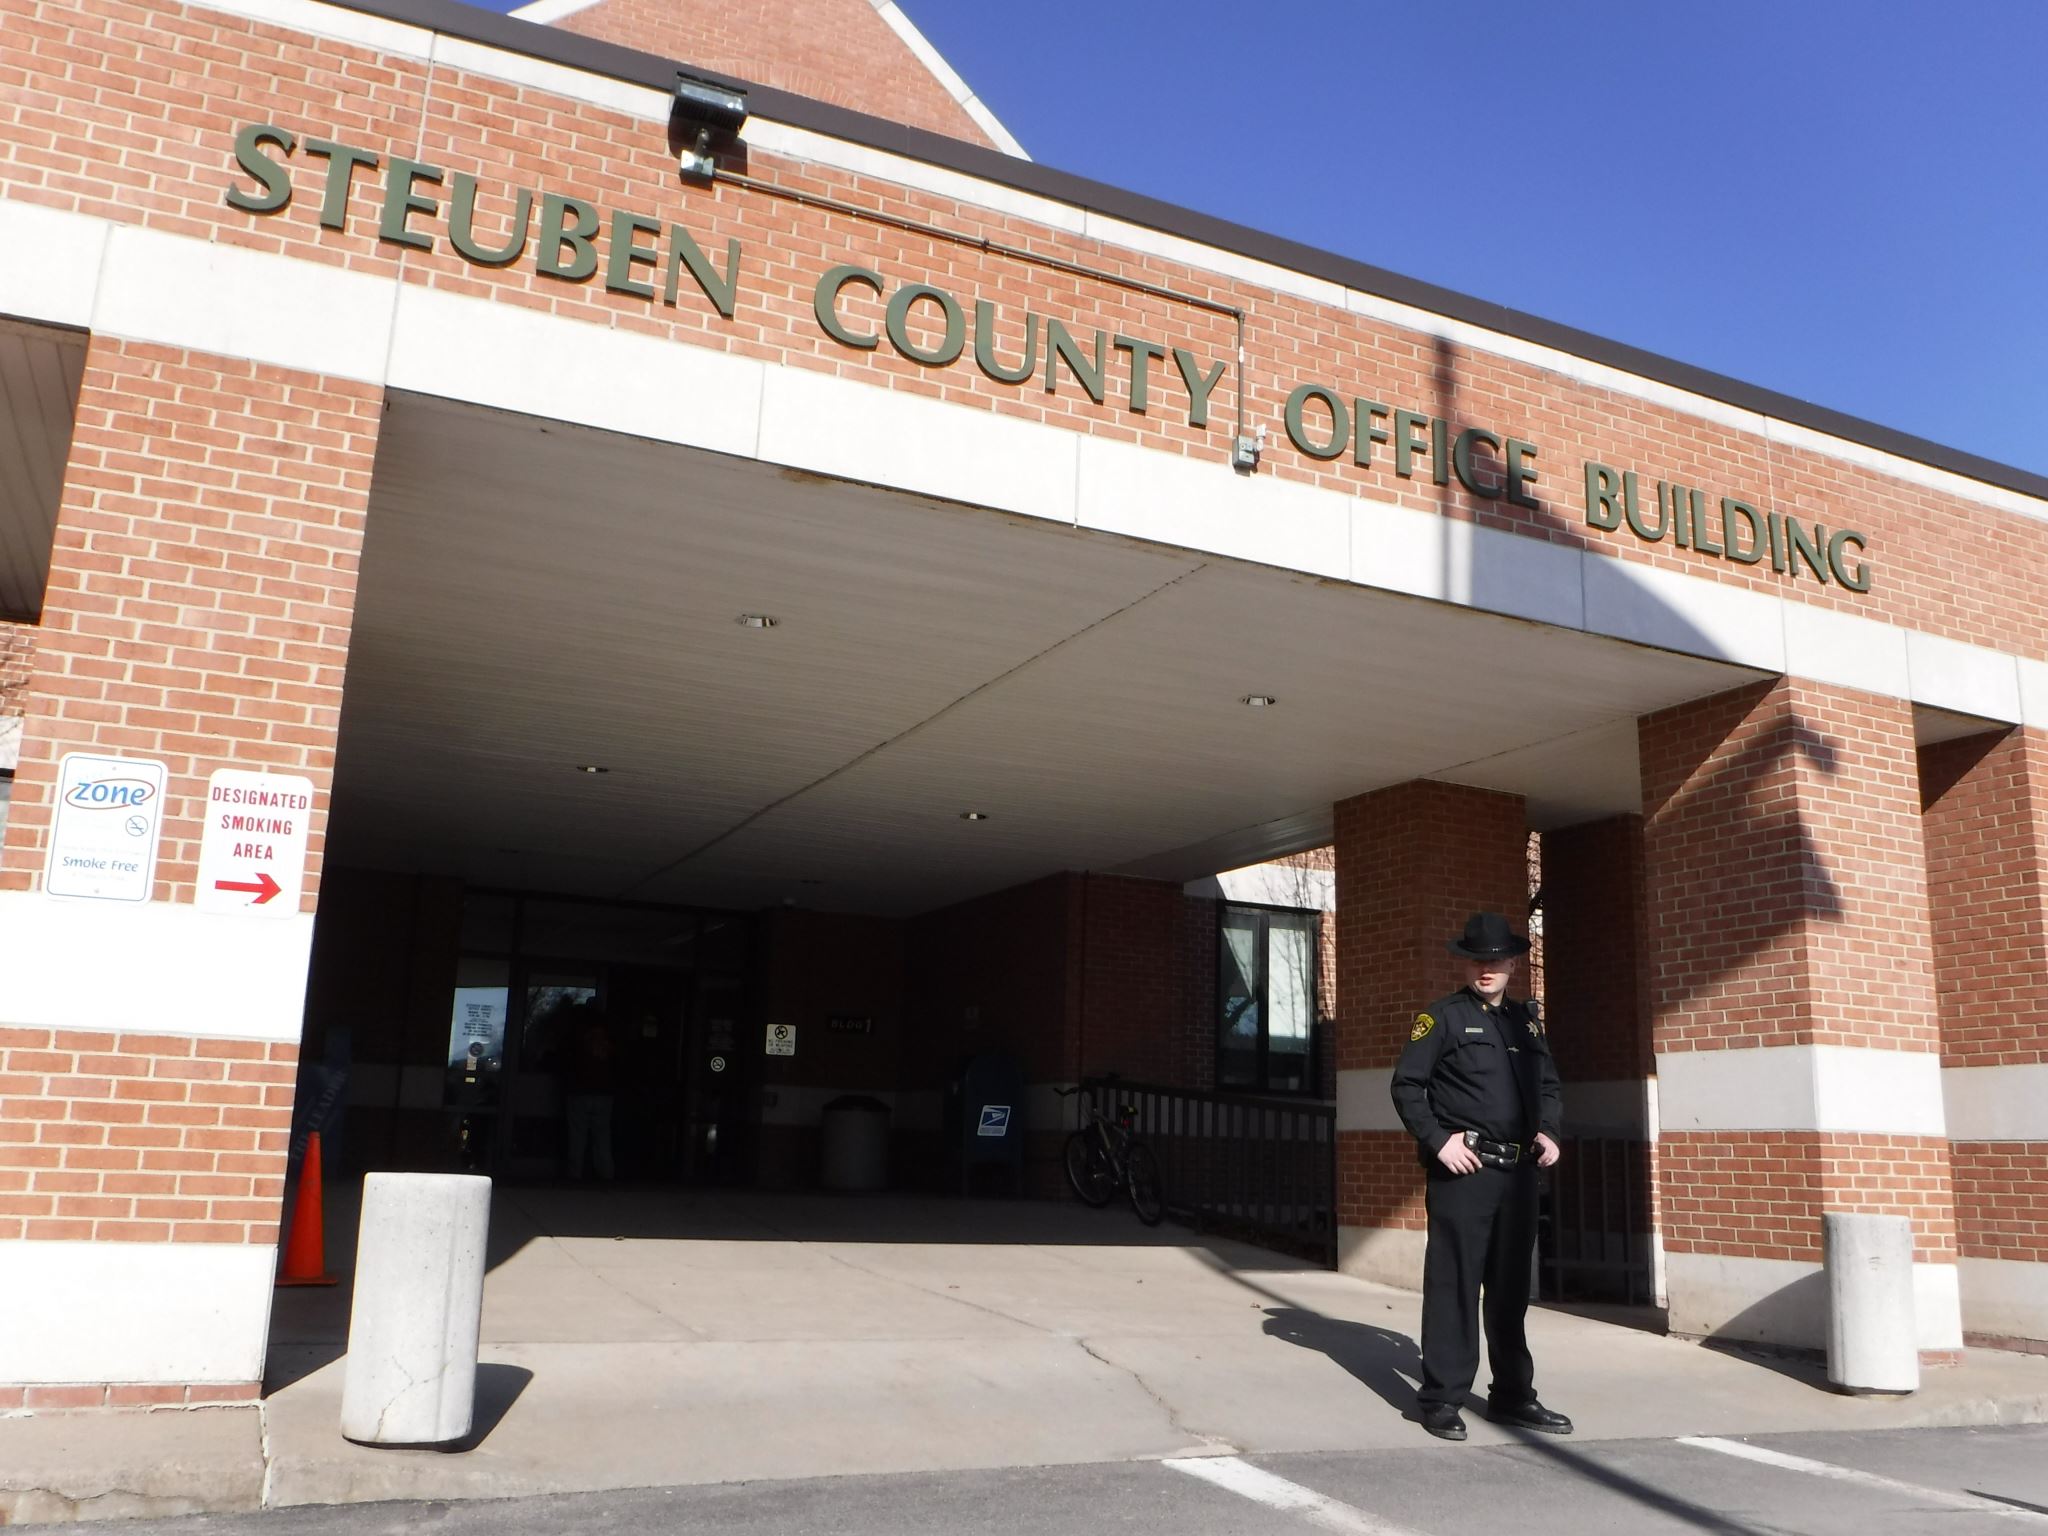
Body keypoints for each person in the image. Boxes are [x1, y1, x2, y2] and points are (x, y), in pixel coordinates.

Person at [1389, 911, 1570, 1442]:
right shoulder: (1442, 1019)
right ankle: (1441, 1398)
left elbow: (1549, 1085)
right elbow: (1407, 1086)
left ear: (1513, 963)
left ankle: (1512, 1396)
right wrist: (1439, 1141)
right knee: (1455, 1285)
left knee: (1511, 1290)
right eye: (1476, 961)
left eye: (1496, 960)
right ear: (1465, 964)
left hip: (1518, 1174)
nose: (1486, 968)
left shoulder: (1527, 1023)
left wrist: (1550, 1131)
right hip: (1464, 1172)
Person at [561, 1003, 617, 1181]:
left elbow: (568, 1063)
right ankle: (606, 1175)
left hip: (579, 1092)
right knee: (602, 1137)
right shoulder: (609, 1039)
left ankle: (575, 1175)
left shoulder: (577, 1038)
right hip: (603, 1094)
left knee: (577, 1137)